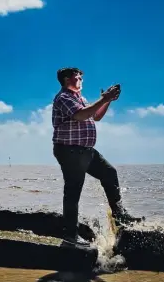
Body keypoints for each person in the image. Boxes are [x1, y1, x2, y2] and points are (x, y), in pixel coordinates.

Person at [52, 67, 143, 246]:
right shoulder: (63, 98)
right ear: (66, 80)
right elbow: (80, 115)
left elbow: (96, 116)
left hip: (86, 151)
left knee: (109, 173)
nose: (81, 81)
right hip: (70, 151)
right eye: (77, 77)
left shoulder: (80, 98)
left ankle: (120, 218)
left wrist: (107, 101)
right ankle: (70, 235)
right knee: (73, 192)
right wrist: (104, 98)